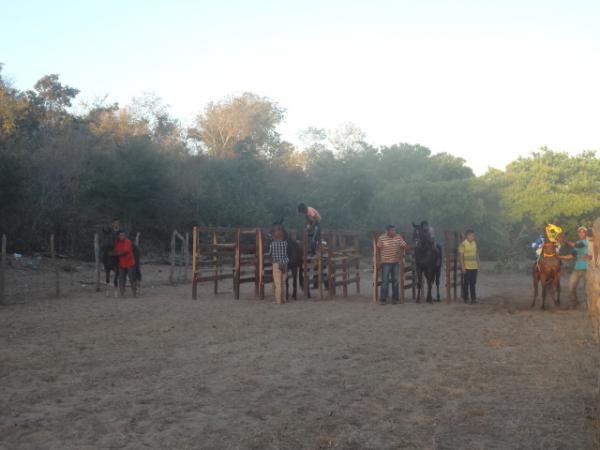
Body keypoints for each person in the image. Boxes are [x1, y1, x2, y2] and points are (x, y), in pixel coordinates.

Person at [376, 225, 409, 305]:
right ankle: (383, 299)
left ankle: (395, 299)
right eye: (392, 231)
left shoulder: (398, 237)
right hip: (385, 263)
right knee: (385, 281)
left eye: (394, 230)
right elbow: (378, 250)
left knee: (396, 281)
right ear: (387, 231)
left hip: (395, 263)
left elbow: (405, 246)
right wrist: (378, 262)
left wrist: (405, 248)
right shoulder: (381, 238)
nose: (394, 232)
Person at [559, 226, 590, 308]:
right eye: (580, 232)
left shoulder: (587, 241)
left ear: (586, 233)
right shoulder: (577, 242)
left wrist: (564, 240)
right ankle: (575, 303)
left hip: (587, 268)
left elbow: (577, 245)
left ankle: (588, 304)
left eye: (583, 232)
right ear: (578, 233)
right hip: (577, 268)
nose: (581, 233)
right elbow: (572, 256)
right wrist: (560, 257)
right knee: (571, 286)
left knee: (587, 288)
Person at [267, 225, 289, 304]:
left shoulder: (272, 244)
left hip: (276, 264)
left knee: (278, 283)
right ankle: (284, 299)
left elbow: (269, 253)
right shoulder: (285, 243)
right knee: (283, 282)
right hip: (284, 263)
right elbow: (286, 253)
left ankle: (278, 300)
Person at [112, 230, 137, 298]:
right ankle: (122, 294)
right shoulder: (117, 243)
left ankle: (134, 294)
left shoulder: (128, 241)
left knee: (132, 279)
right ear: (118, 236)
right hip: (121, 264)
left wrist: (113, 254)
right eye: (121, 235)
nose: (122, 236)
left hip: (129, 263)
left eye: (123, 235)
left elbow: (124, 252)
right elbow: (114, 250)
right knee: (121, 279)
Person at [459, 229, 480, 304]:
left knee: (473, 283)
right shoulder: (463, 244)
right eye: (472, 235)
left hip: (474, 267)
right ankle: (466, 298)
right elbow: (461, 257)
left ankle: (473, 299)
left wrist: (478, 265)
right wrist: (463, 267)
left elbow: (476, 254)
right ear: (468, 236)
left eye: (474, 236)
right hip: (467, 267)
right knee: (466, 283)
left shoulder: (474, 243)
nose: (473, 237)